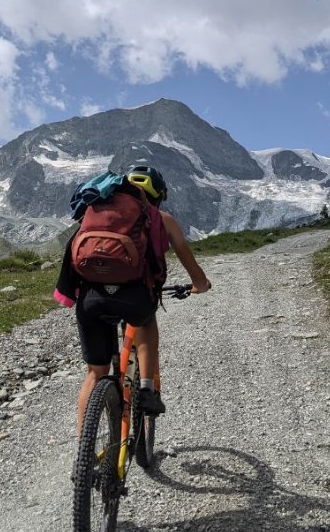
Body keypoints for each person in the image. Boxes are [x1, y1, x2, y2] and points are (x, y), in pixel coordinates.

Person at [53, 165, 211, 432]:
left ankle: (85, 454)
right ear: (158, 195)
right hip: (134, 298)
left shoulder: (98, 212)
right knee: (146, 322)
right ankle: (147, 390)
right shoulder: (163, 219)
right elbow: (187, 257)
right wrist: (200, 284)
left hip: (91, 298)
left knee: (95, 371)